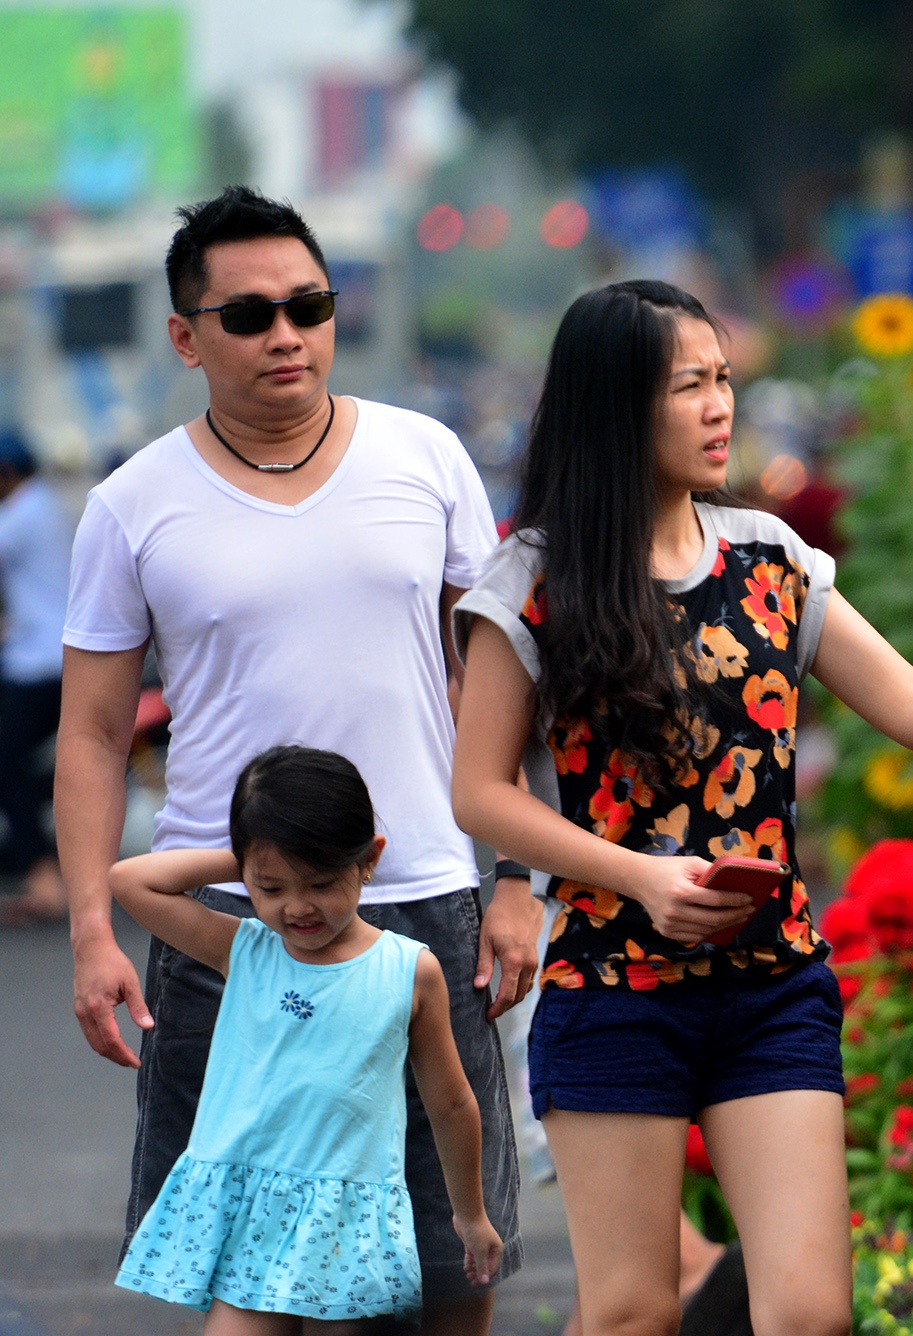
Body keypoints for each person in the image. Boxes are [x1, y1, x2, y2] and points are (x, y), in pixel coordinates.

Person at [450, 279, 913, 1336]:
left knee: (811, 1312)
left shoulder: (771, 557)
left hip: (772, 982)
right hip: (612, 983)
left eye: (723, 379)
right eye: (688, 386)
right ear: (616, 405)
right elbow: (477, 793)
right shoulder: (531, 580)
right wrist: (640, 876)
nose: (719, 407)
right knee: (633, 1313)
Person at [55, 186, 532, 1335]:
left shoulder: (427, 456)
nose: (286, 334)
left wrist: (518, 877)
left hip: (422, 900)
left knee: (446, 1269)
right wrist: (90, 930)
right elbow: (94, 734)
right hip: (231, 925)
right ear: (187, 337)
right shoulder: (132, 504)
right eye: (250, 314)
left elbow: (494, 685)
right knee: (247, 1279)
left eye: (309, 306)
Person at [110, 745, 504, 1331]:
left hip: (347, 1217)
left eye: (320, 882)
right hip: (251, 1209)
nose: (297, 907)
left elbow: (451, 1103)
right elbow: (130, 880)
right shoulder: (244, 948)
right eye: (272, 888)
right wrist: (249, 858)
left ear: (369, 859)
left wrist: (470, 1214)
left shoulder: (408, 970)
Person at [0, 429, 74, 924]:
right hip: (46, 656)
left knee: (7, 764)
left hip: (39, 663)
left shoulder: (23, 511)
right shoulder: (43, 505)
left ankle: (43, 877)